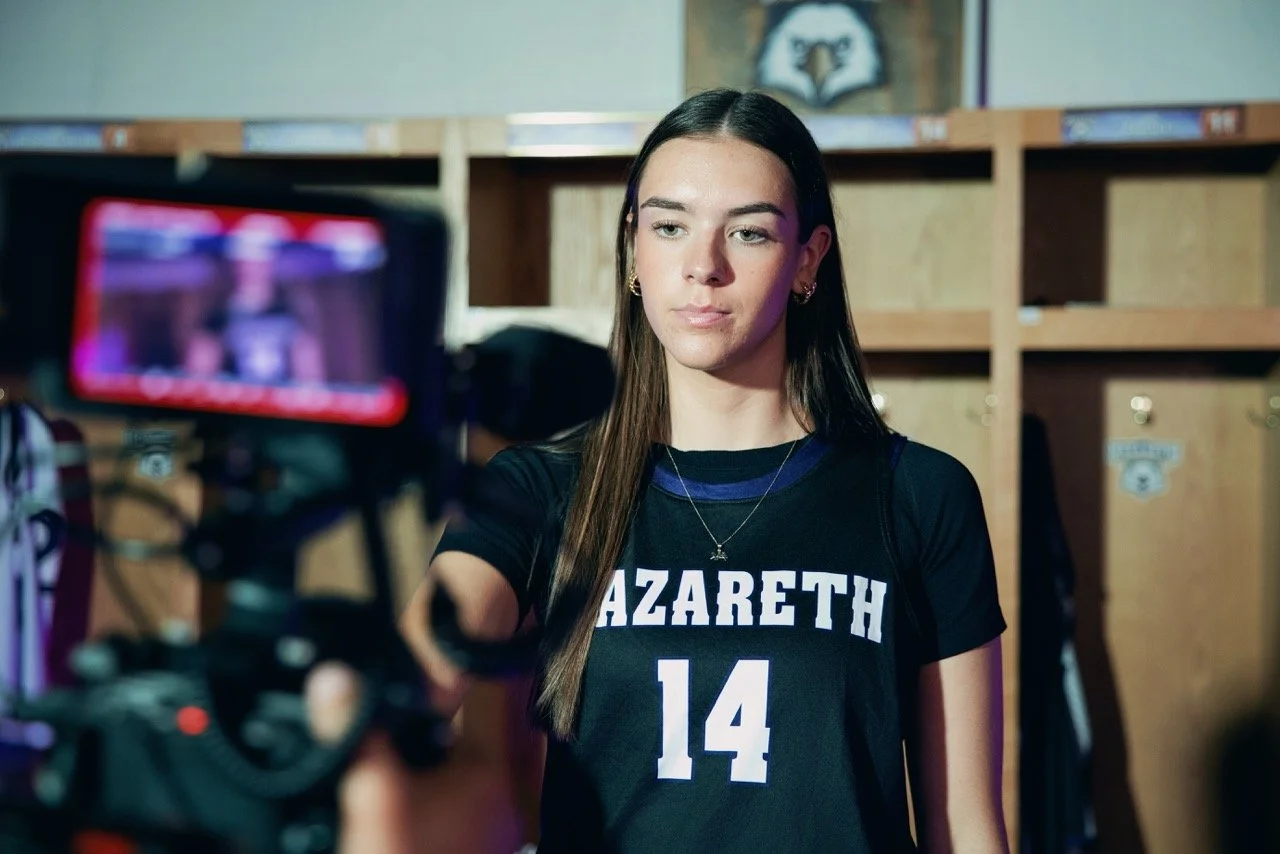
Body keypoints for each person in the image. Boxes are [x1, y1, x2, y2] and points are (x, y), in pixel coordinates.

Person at [322, 87, 1011, 853]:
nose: (702, 267)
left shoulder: (917, 495)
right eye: (670, 226)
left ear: (807, 260)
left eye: (748, 233)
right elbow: (405, 691)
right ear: (634, 250)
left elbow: (966, 825)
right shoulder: (536, 490)